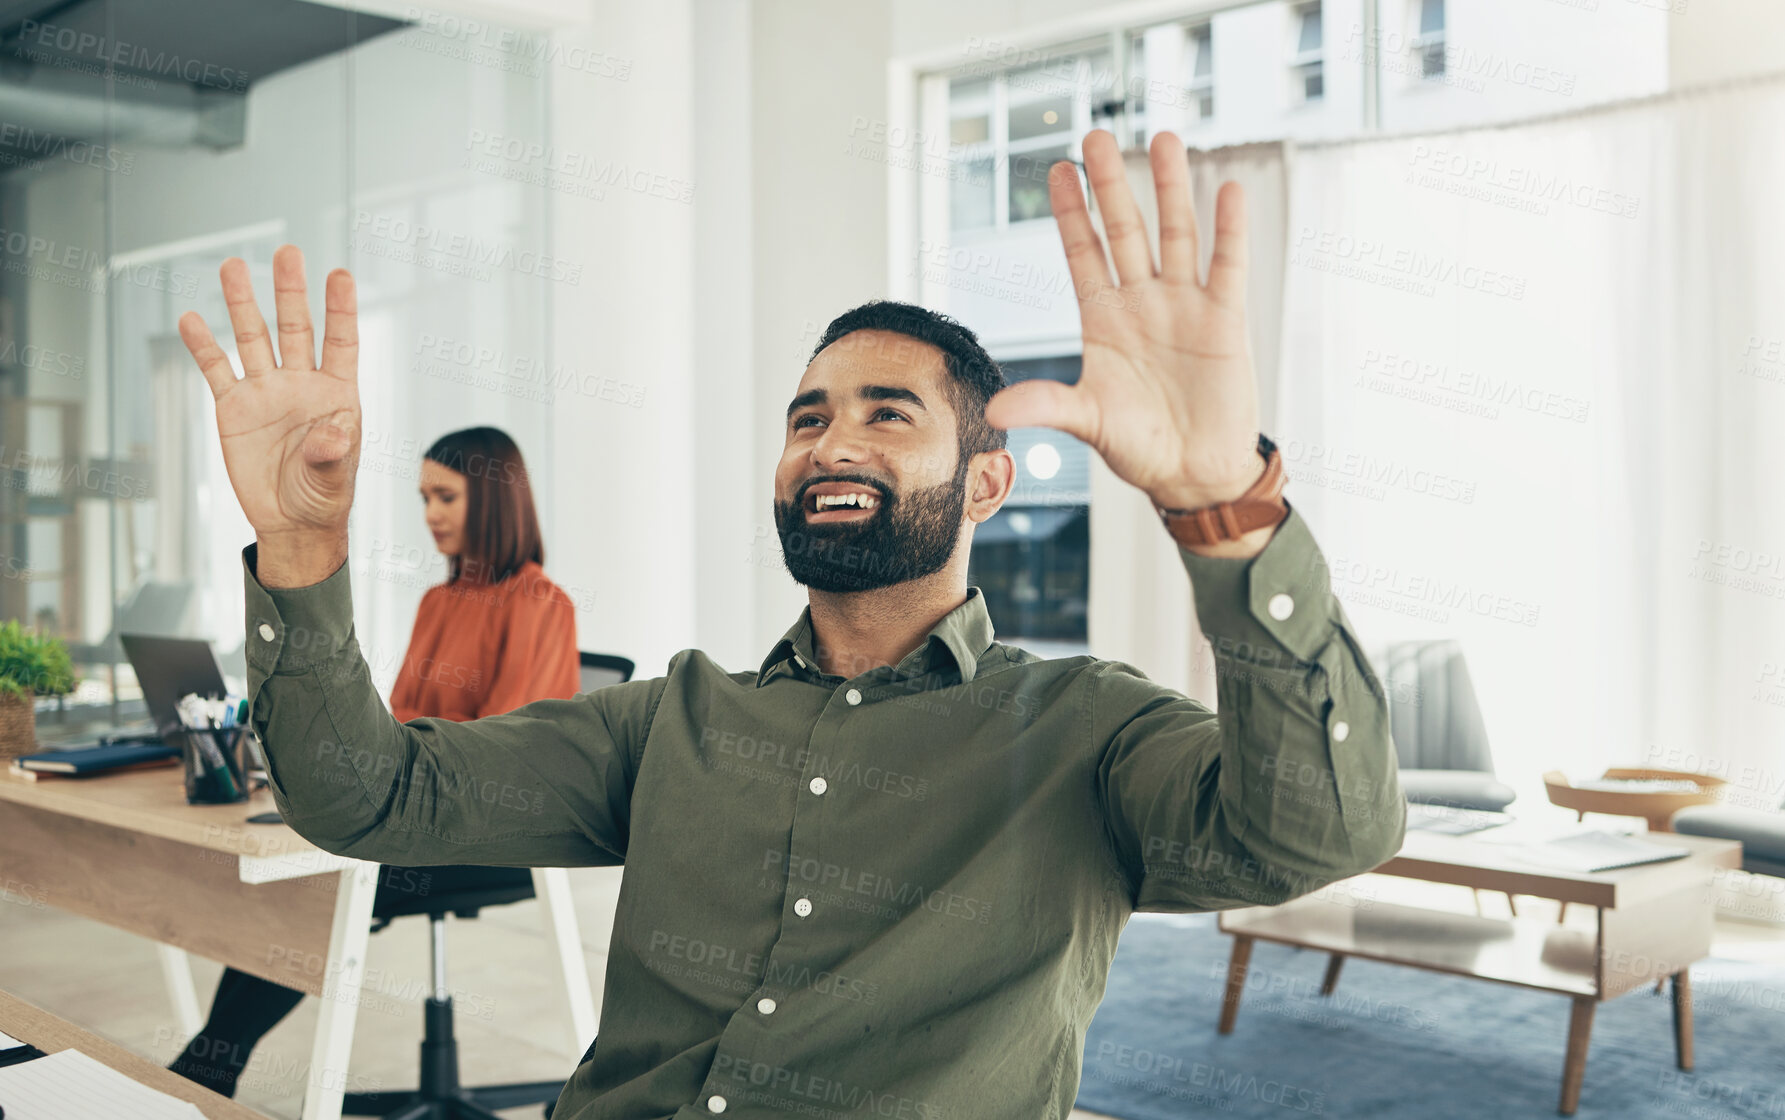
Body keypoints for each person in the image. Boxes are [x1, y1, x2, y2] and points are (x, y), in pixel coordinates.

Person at [177, 130, 1406, 1119]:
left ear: (985, 482)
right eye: (808, 416)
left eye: (888, 414)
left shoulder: (1085, 729)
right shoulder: (677, 717)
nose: (833, 441)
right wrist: (300, 547)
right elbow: (364, 798)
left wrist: (1224, 509)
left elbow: (1320, 831)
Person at [166, 427, 579, 1099]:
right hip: (418, 810)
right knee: (295, 868)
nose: (431, 515)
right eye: (423, 498)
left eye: (446, 496)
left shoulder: (540, 603)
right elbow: (397, 725)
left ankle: (205, 1072)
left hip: (490, 832)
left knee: (314, 887)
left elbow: (510, 752)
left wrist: (401, 759)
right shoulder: (438, 601)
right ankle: (207, 1070)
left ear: (496, 500)